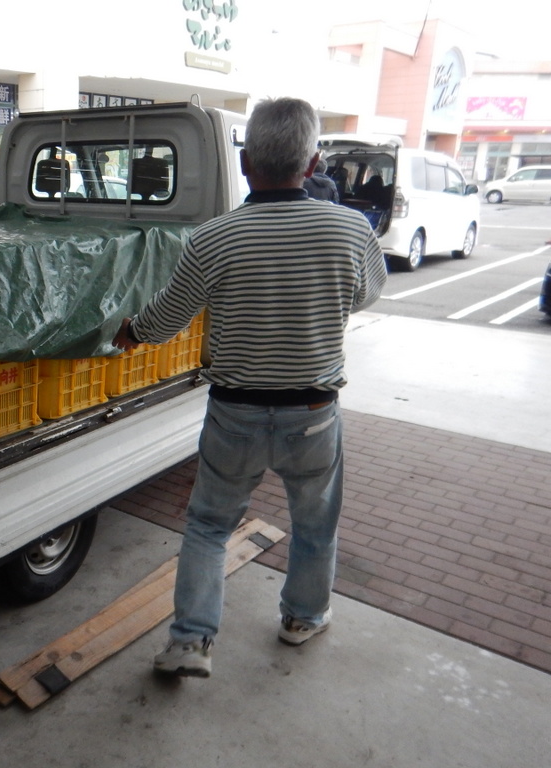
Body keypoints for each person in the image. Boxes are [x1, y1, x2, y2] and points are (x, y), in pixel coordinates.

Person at [113, 97, 387, 678]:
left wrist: (131, 331)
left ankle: (190, 641)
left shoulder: (214, 238)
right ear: (312, 164)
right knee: (314, 524)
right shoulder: (349, 228)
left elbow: (168, 317)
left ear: (246, 164)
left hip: (234, 413)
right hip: (313, 411)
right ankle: (302, 619)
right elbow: (365, 294)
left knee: (209, 526)